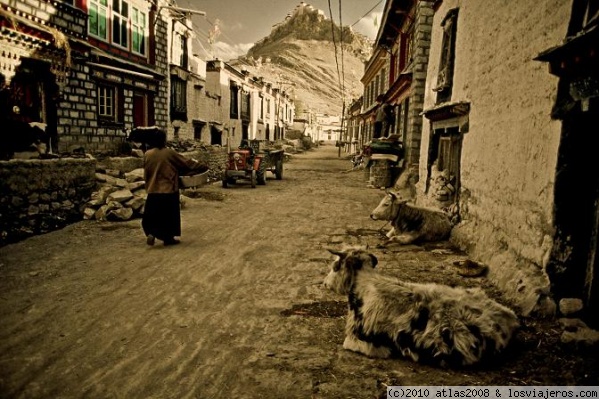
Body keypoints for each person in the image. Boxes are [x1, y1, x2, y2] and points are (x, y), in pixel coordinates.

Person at [142, 128, 208, 246]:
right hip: (168, 189)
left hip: (153, 190)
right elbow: (186, 162)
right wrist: (202, 166)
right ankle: (168, 239)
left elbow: (146, 173)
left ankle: (151, 233)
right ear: (164, 140)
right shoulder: (169, 153)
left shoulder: (147, 154)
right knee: (169, 216)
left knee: (152, 214)